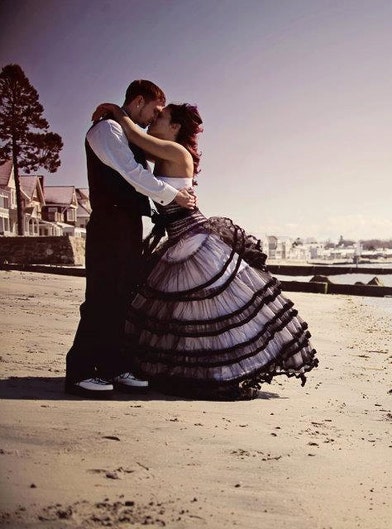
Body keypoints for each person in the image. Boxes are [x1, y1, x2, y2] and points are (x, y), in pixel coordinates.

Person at [91, 101, 318, 400]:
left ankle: (215, 374)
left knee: (205, 314)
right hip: (179, 239)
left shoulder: (176, 152)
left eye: (162, 117)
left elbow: (133, 135)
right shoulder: (163, 150)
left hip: (192, 240)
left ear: (175, 128)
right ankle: (195, 371)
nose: (155, 119)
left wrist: (112, 108)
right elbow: (129, 151)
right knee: (189, 317)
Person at [65, 80, 196, 398]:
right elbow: (132, 175)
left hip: (127, 224)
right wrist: (173, 195)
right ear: (139, 102)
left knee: (122, 298)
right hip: (109, 224)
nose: (155, 118)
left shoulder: (125, 131)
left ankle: (112, 366)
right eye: (154, 110)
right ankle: (80, 371)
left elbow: (146, 161)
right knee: (101, 296)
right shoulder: (106, 131)